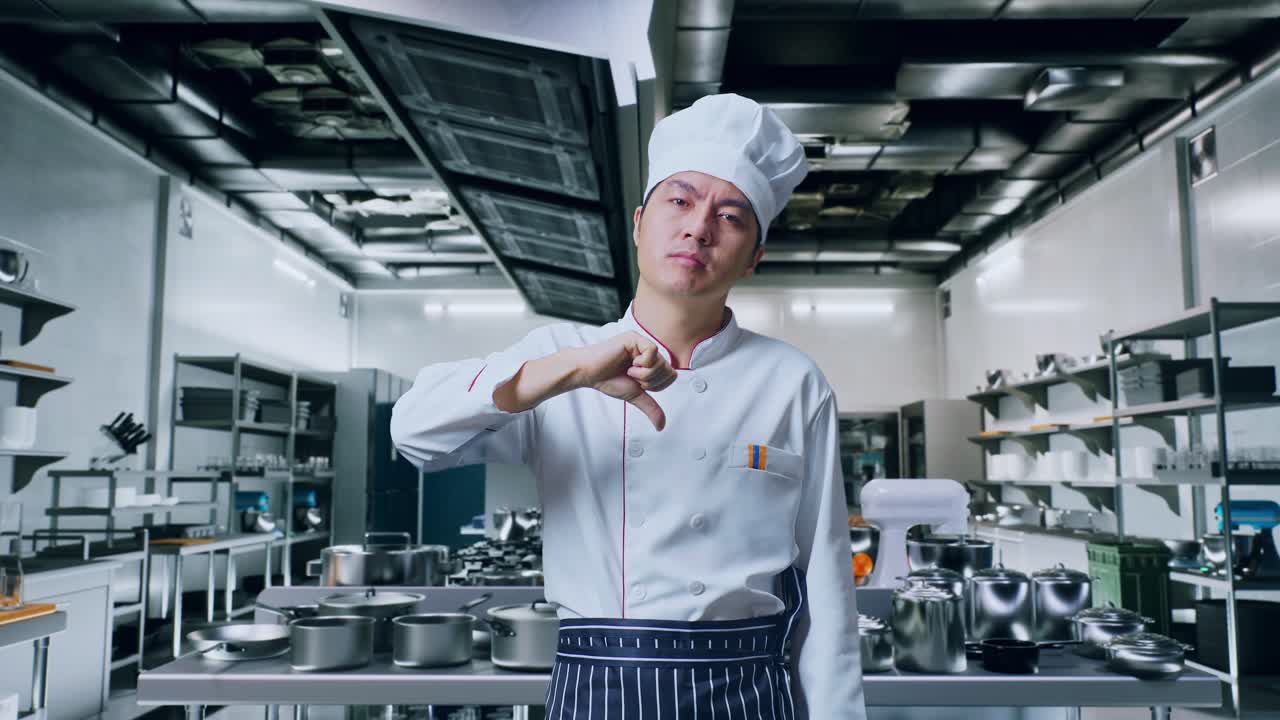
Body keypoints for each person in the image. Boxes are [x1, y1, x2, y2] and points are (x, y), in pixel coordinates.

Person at [391, 93, 865, 719]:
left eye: (732, 215)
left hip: (747, 694)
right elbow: (413, 432)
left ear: (754, 257)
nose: (699, 226)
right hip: (597, 691)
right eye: (681, 200)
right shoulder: (558, 357)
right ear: (640, 222)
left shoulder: (792, 382)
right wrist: (566, 372)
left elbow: (826, 584)